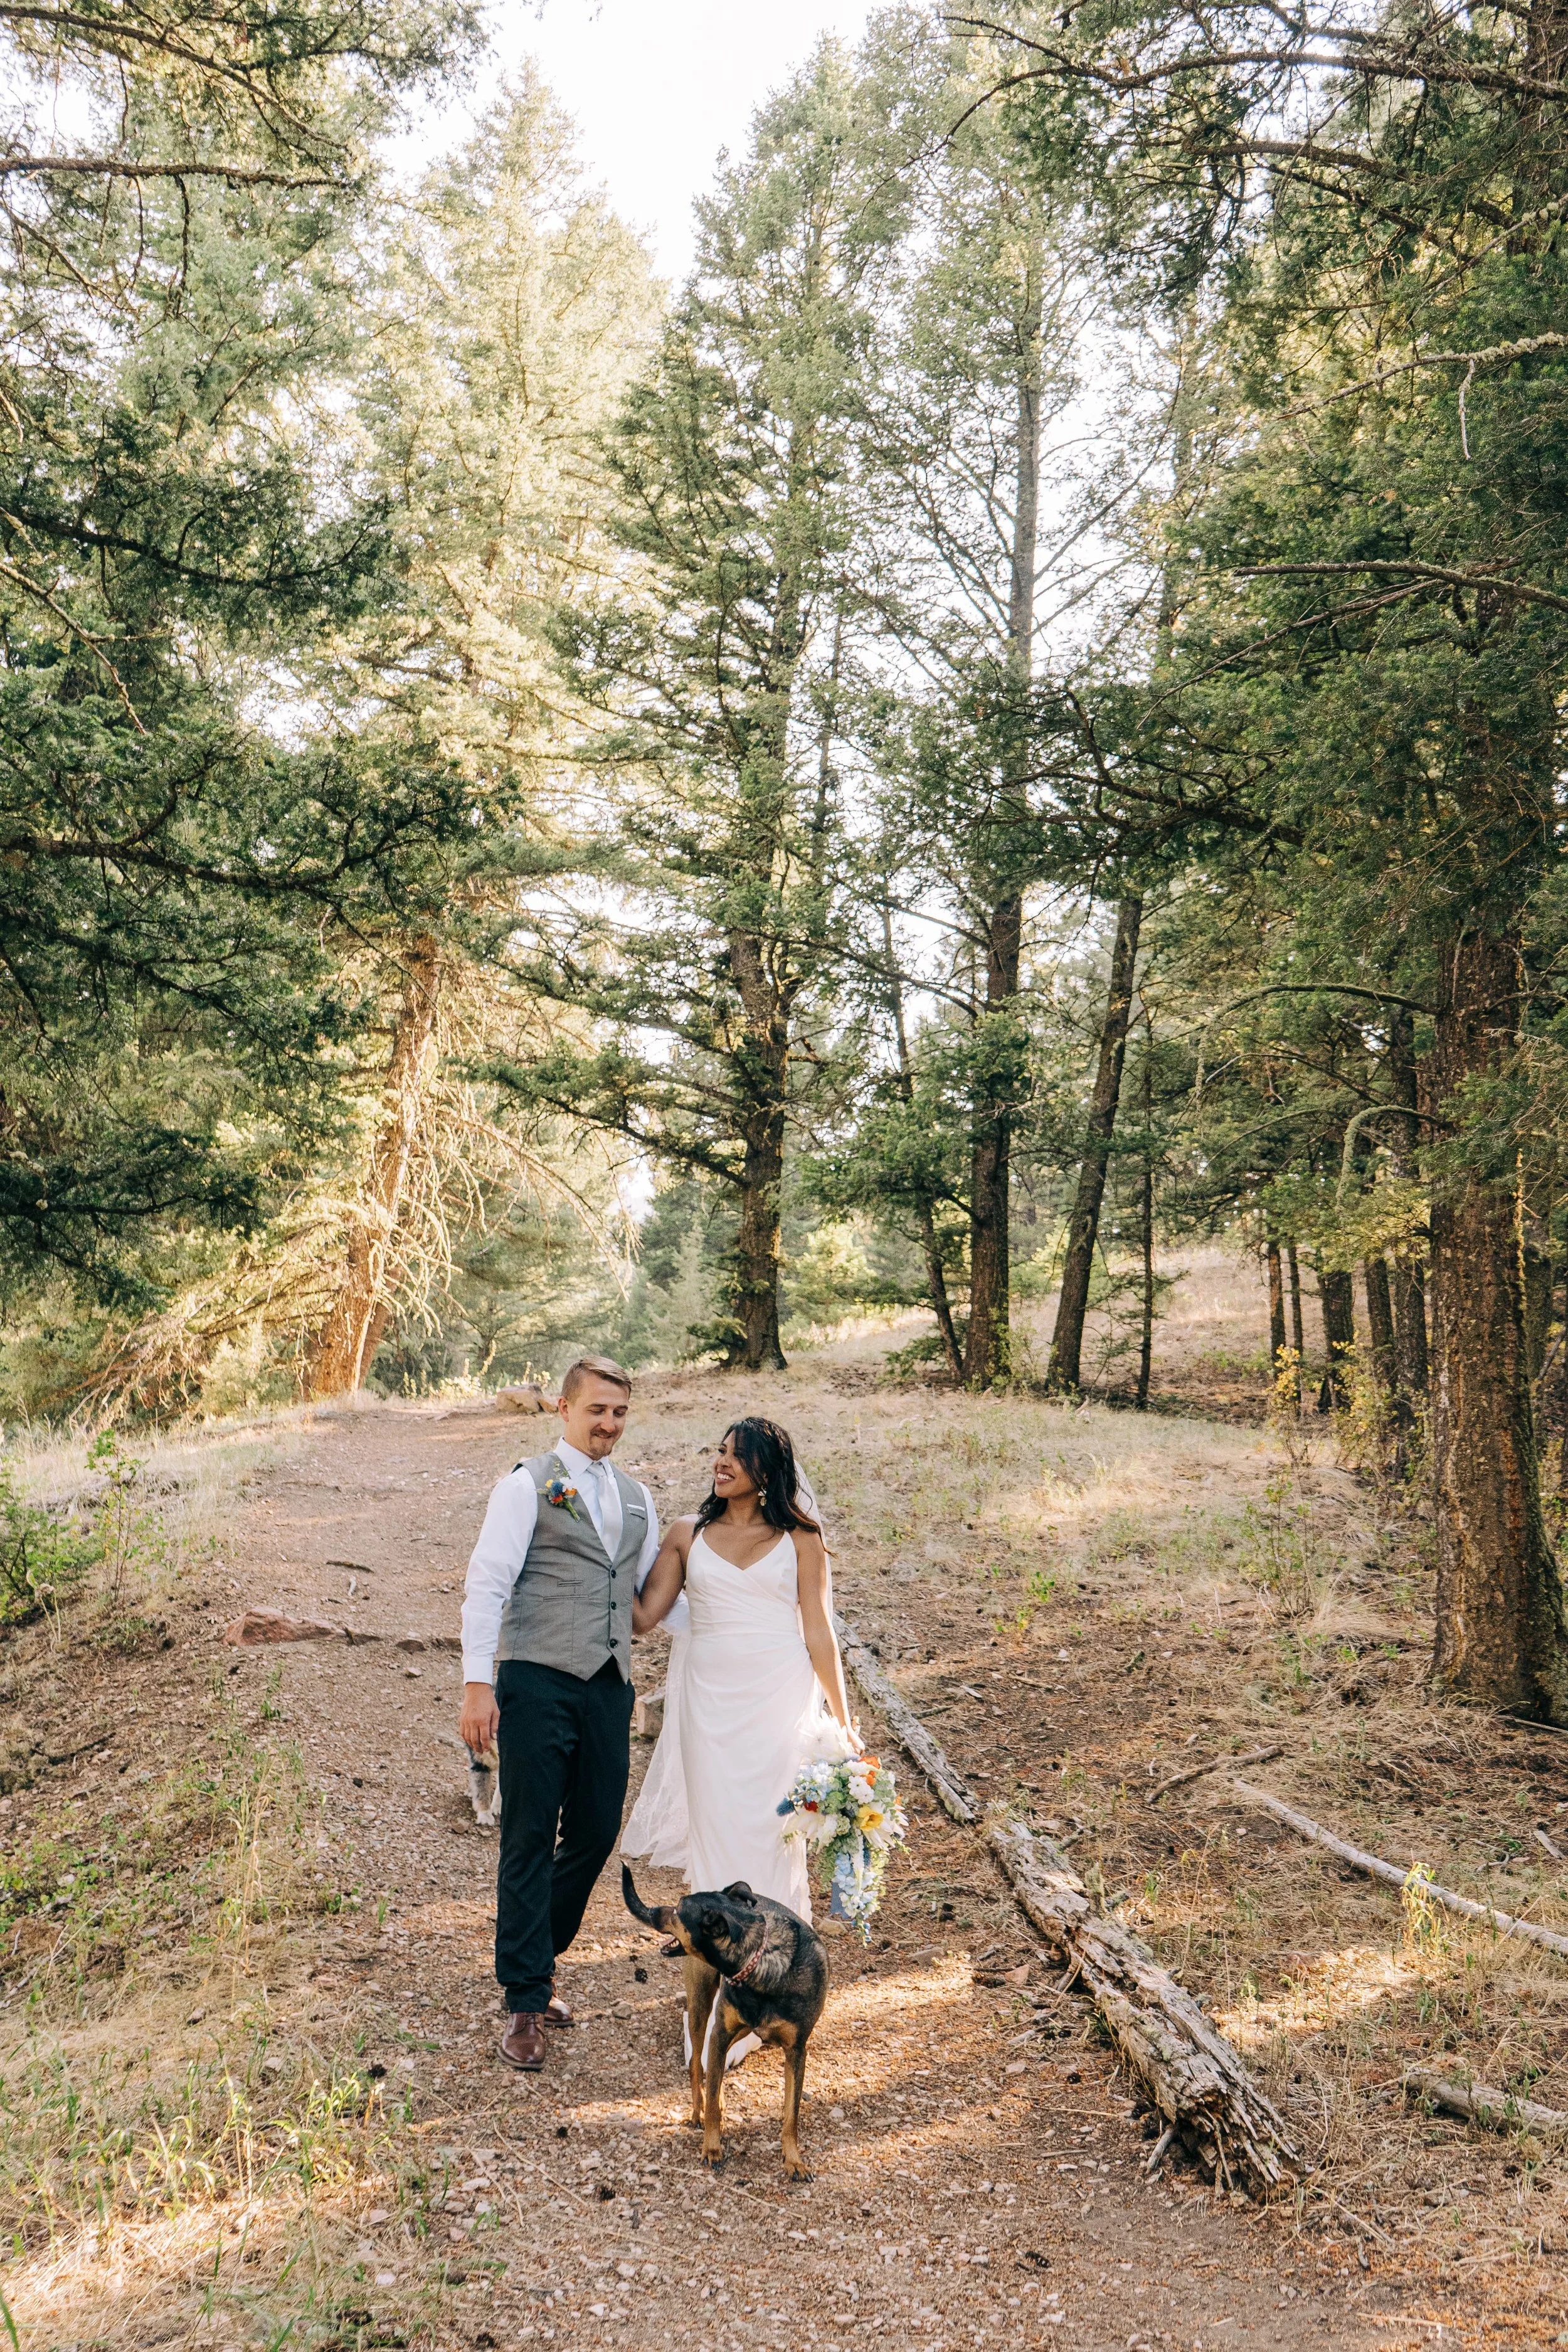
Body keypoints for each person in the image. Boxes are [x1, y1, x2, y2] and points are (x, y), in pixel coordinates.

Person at [458, 1355, 659, 2073]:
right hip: (535, 1679)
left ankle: (533, 1959)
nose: (608, 1423)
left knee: (598, 1828)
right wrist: (477, 1685)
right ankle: (525, 1998)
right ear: (564, 1409)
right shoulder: (526, 1484)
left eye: (619, 1412)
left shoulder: (636, 1498)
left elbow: (646, 1600)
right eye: (596, 1409)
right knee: (529, 1832)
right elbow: (487, 1585)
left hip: (608, 1686)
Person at [625, 1417, 860, 1926]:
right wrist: (602, 1560)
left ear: (767, 1471)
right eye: (720, 1451)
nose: (722, 1462)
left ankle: (777, 1945)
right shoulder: (687, 1534)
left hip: (779, 1695)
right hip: (708, 1699)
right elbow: (643, 1618)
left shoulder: (802, 1537)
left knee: (775, 1825)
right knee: (715, 1820)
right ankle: (718, 1950)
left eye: (737, 1455)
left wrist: (843, 1722)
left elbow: (819, 1633)